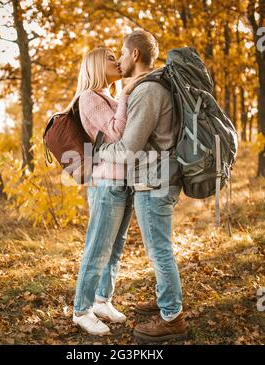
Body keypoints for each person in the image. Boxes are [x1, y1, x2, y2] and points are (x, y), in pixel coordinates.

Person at [99, 30, 188, 342]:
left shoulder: (148, 91)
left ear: (134, 55)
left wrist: (98, 153)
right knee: (159, 248)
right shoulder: (150, 86)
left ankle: (172, 317)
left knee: (159, 250)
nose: (120, 60)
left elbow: (128, 148)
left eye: (122, 53)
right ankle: (166, 302)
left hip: (154, 181)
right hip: (158, 177)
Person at [68, 47, 144, 336]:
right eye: (110, 58)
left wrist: (121, 96)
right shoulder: (89, 98)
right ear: (97, 65)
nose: (117, 61)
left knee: (115, 246)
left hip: (122, 181)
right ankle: (81, 310)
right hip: (105, 183)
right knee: (98, 246)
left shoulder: (107, 97)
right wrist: (126, 94)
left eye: (117, 56)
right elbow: (117, 134)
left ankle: (102, 300)